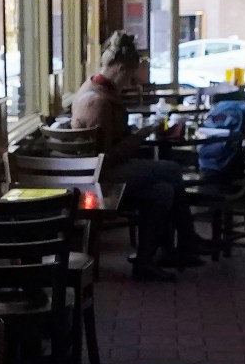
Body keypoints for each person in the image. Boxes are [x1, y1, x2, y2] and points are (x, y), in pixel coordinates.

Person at [70, 30, 204, 280]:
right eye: (130, 76)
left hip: (95, 171)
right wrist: (140, 135)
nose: (131, 83)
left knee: (163, 191)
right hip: (100, 177)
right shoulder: (98, 102)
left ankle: (151, 259)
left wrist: (133, 133)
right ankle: (187, 243)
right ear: (120, 69)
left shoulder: (93, 87)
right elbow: (108, 157)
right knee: (172, 170)